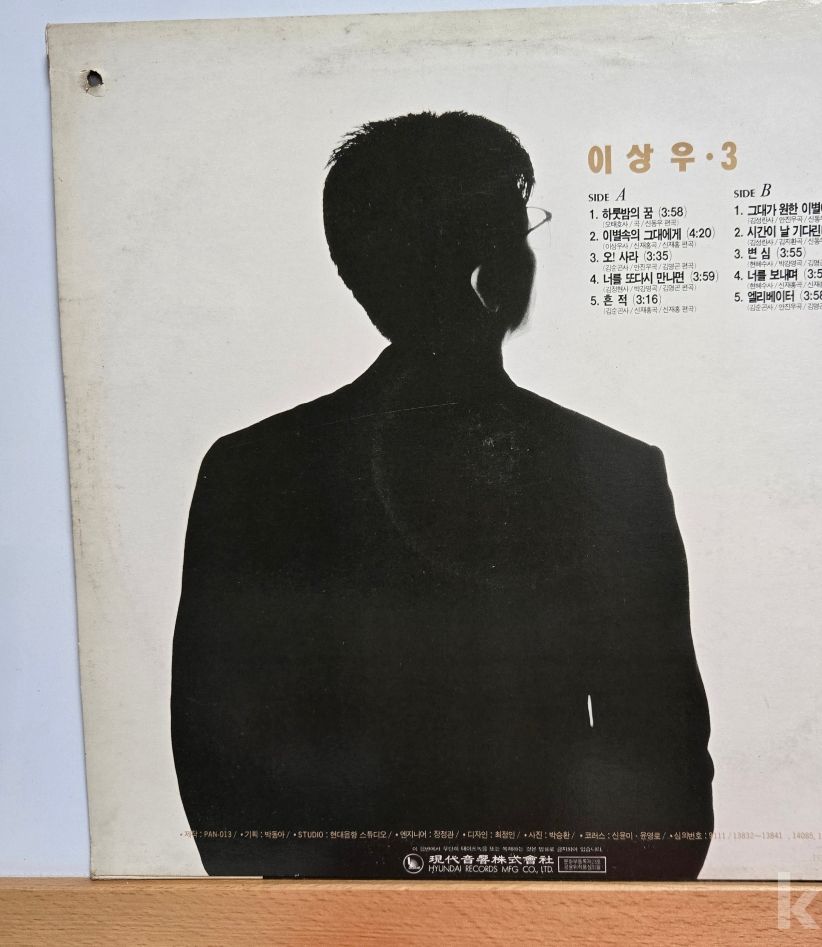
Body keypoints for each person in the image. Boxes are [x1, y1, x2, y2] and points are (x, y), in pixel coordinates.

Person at [171, 111, 713, 878]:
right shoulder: (616, 470)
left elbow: (220, 774)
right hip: (552, 914)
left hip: (329, 922)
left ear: (356, 272)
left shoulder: (252, 470)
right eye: (518, 232)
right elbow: (665, 776)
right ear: (490, 270)